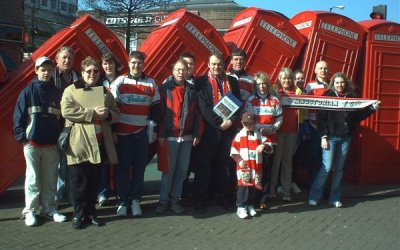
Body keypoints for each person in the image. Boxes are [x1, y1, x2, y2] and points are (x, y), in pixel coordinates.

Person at [61, 56, 120, 229]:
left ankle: (91, 212)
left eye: (95, 71)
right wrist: (92, 114)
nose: (92, 74)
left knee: (94, 182)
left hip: (99, 144)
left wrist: (108, 114)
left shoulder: (104, 92)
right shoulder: (71, 90)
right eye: (88, 71)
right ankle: (78, 215)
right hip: (79, 143)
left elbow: (116, 113)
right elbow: (66, 111)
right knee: (78, 182)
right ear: (82, 72)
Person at [308, 72, 379, 208]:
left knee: (339, 169)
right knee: (327, 167)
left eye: (342, 82)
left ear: (345, 83)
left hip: (346, 137)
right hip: (330, 137)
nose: (340, 85)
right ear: (333, 84)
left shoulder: (351, 97)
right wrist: (323, 136)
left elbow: (357, 116)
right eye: (337, 82)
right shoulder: (327, 96)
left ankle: (335, 197)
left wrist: (372, 108)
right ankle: (314, 196)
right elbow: (320, 117)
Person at [13, 56, 67, 226]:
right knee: (32, 179)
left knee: (51, 179)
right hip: (32, 145)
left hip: (51, 145)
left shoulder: (58, 93)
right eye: (43, 69)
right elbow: (18, 118)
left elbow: (62, 119)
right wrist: (23, 139)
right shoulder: (27, 92)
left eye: (49, 70)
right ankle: (30, 211)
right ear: (36, 71)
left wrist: (60, 138)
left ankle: (49, 209)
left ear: (53, 71)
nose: (46, 73)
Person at [111, 51, 161, 217]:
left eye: (139, 63)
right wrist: (113, 131)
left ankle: (135, 201)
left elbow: (156, 110)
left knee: (139, 169)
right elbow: (112, 107)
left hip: (141, 134)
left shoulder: (151, 83)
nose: (136, 66)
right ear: (128, 63)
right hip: (123, 133)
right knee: (123, 169)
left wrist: (153, 131)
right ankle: (122, 202)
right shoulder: (120, 81)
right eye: (133, 62)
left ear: (143, 64)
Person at [194, 53, 241, 213]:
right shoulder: (200, 82)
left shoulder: (232, 81)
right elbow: (204, 107)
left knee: (225, 166)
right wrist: (219, 123)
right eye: (213, 64)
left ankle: (225, 198)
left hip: (228, 130)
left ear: (223, 65)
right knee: (204, 167)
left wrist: (231, 121)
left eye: (219, 64)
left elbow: (238, 103)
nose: (216, 67)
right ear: (208, 64)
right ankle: (200, 200)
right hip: (209, 131)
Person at [155, 59, 201, 214]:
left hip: (187, 138)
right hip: (169, 138)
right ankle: (163, 201)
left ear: (188, 71)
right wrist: (161, 134)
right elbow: (159, 114)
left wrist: (197, 133)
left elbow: (197, 115)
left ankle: (175, 200)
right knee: (168, 171)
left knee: (182, 171)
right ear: (173, 71)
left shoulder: (193, 90)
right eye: (178, 69)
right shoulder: (164, 89)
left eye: (184, 69)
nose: (181, 72)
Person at [245, 71, 282, 207]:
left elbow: (279, 117)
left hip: (271, 140)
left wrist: (273, 128)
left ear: (268, 85)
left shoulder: (275, 100)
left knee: (266, 170)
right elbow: (249, 118)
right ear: (256, 86)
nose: (262, 87)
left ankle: (263, 199)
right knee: (254, 169)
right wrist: (260, 128)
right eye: (259, 84)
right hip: (255, 139)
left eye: (264, 84)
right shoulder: (250, 100)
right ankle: (252, 198)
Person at [230, 112, 272, 219]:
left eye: (251, 124)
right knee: (243, 187)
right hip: (243, 167)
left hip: (255, 166)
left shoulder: (257, 134)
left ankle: (249, 205)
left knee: (253, 187)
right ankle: (240, 207)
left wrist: (263, 146)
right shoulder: (239, 135)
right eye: (246, 124)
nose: (248, 126)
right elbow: (233, 150)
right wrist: (239, 160)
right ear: (242, 123)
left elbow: (268, 144)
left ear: (255, 124)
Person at [270, 68, 302, 201]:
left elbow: (304, 111)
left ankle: (286, 190)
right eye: (284, 78)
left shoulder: (298, 92)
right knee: (276, 161)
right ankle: (271, 190)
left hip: (292, 131)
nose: (286, 80)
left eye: (289, 78)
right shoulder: (274, 91)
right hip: (277, 131)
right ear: (280, 79)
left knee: (287, 162)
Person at [53, 46, 79, 204]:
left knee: (70, 162)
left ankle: (70, 195)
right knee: (56, 165)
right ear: (57, 59)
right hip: (55, 126)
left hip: (73, 127)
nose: (67, 60)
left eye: (70, 58)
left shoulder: (77, 78)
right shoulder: (51, 76)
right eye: (64, 57)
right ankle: (56, 196)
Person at [97, 52, 119, 206]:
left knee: (118, 161)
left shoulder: (123, 81)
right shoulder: (98, 82)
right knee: (104, 162)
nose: (108, 66)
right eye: (105, 64)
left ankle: (118, 190)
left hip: (119, 125)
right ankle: (103, 192)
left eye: (110, 63)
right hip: (103, 128)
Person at [304, 61, 329, 183]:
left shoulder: (332, 85)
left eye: (325, 68)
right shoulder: (310, 86)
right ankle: (314, 186)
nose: (323, 71)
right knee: (315, 158)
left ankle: (324, 187)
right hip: (313, 127)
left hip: (329, 128)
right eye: (320, 68)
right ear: (315, 70)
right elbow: (302, 105)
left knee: (328, 160)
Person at [291, 69, 309, 194]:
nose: (300, 80)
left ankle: (293, 181)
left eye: (302, 78)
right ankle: (289, 182)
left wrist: (305, 130)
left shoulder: (305, 92)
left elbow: (305, 114)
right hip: (292, 127)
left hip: (302, 126)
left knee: (297, 157)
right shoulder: (294, 92)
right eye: (298, 78)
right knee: (290, 157)